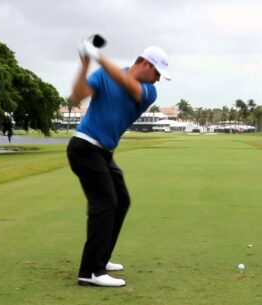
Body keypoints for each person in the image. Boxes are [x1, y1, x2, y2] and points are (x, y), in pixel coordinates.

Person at [66, 35, 171, 287]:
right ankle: (91, 271)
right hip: (84, 147)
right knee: (105, 203)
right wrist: (84, 63)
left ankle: (101, 257)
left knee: (121, 201)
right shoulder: (104, 75)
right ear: (146, 64)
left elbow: (128, 85)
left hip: (103, 153)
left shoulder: (148, 91)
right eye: (158, 73)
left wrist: (96, 54)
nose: (158, 80)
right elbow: (77, 97)